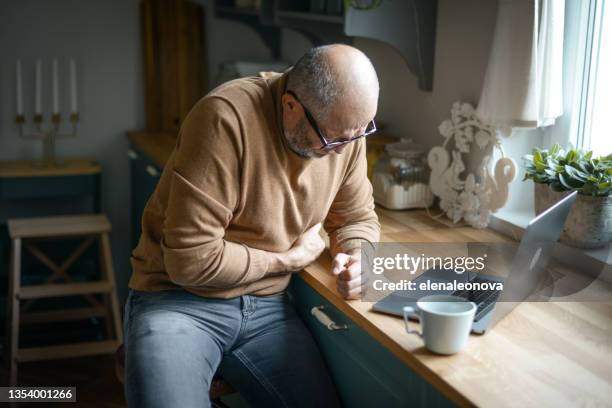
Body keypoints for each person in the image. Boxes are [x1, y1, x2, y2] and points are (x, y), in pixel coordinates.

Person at [124, 44, 381, 408]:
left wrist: (359, 258)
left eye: (359, 132)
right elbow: (190, 262)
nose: (343, 149)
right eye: (332, 139)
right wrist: (288, 260)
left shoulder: (345, 130)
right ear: (290, 105)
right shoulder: (224, 119)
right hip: (177, 302)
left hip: (267, 307)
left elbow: (356, 217)